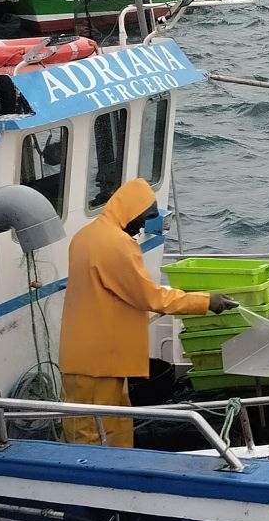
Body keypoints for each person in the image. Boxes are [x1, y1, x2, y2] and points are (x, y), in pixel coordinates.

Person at [58, 178, 236, 446]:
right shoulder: (116, 244)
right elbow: (149, 297)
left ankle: (117, 473)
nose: (143, 225)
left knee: (108, 424)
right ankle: (92, 481)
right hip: (99, 361)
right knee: (92, 433)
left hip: (86, 354)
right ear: (130, 209)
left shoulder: (86, 235)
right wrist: (206, 302)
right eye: (144, 217)